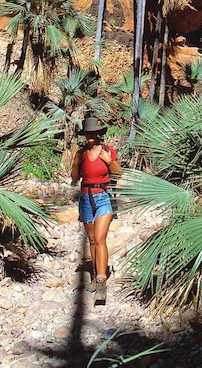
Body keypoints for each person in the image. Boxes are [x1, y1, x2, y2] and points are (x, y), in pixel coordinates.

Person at [71, 115, 121, 303]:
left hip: (103, 197)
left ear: (99, 134)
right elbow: (75, 178)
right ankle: (94, 274)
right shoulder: (81, 153)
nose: (90, 135)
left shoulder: (107, 151)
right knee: (92, 240)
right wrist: (76, 164)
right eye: (87, 133)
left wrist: (109, 161)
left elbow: (118, 173)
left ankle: (101, 282)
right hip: (85, 197)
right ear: (84, 134)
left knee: (100, 239)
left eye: (93, 132)